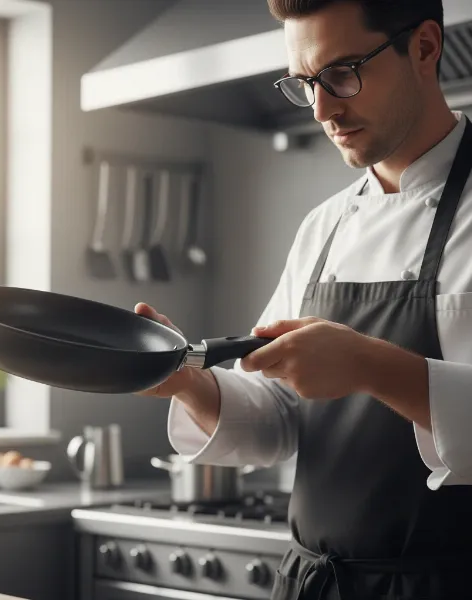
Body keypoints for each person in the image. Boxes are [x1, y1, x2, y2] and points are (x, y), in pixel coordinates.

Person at [136, 0, 472, 598]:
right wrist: (186, 382)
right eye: (305, 83)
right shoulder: (325, 226)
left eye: (343, 73)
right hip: (314, 583)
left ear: (424, 47)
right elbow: (279, 419)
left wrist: (368, 364)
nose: (322, 109)